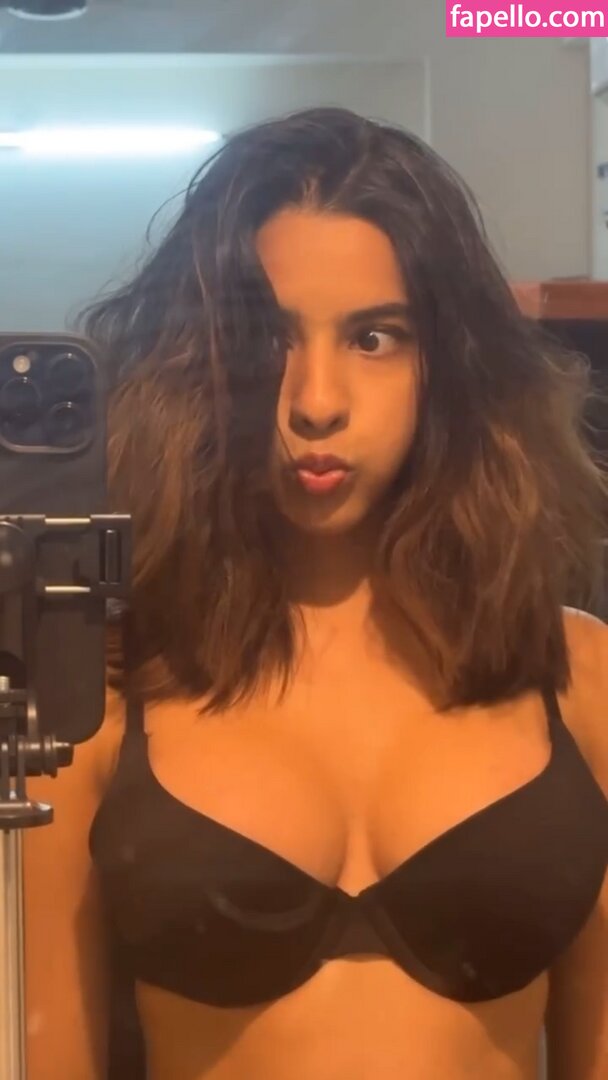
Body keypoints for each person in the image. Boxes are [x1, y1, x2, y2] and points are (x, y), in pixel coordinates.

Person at [23, 106, 608, 1080]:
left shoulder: (580, 678)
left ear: (447, 364)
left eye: (374, 338)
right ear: (201, 365)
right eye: (269, 340)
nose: (316, 401)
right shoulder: (99, 694)